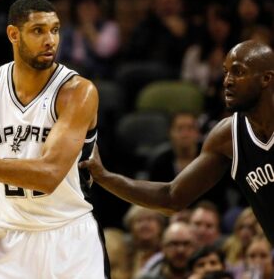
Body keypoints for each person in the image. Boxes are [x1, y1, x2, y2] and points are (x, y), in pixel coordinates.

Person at [80, 40, 274, 247]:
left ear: (266, 79)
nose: (227, 81)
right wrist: (104, 176)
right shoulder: (227, 137)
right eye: (226, 72)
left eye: (238, 72)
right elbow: (171, 198)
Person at [0, 0, 110, 279]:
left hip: (69, 239)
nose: (50, 40)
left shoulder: (77, 92)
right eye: (38, 30)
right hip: (3, 237)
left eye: (55, 29)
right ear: (13, 34)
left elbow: (48, 176)